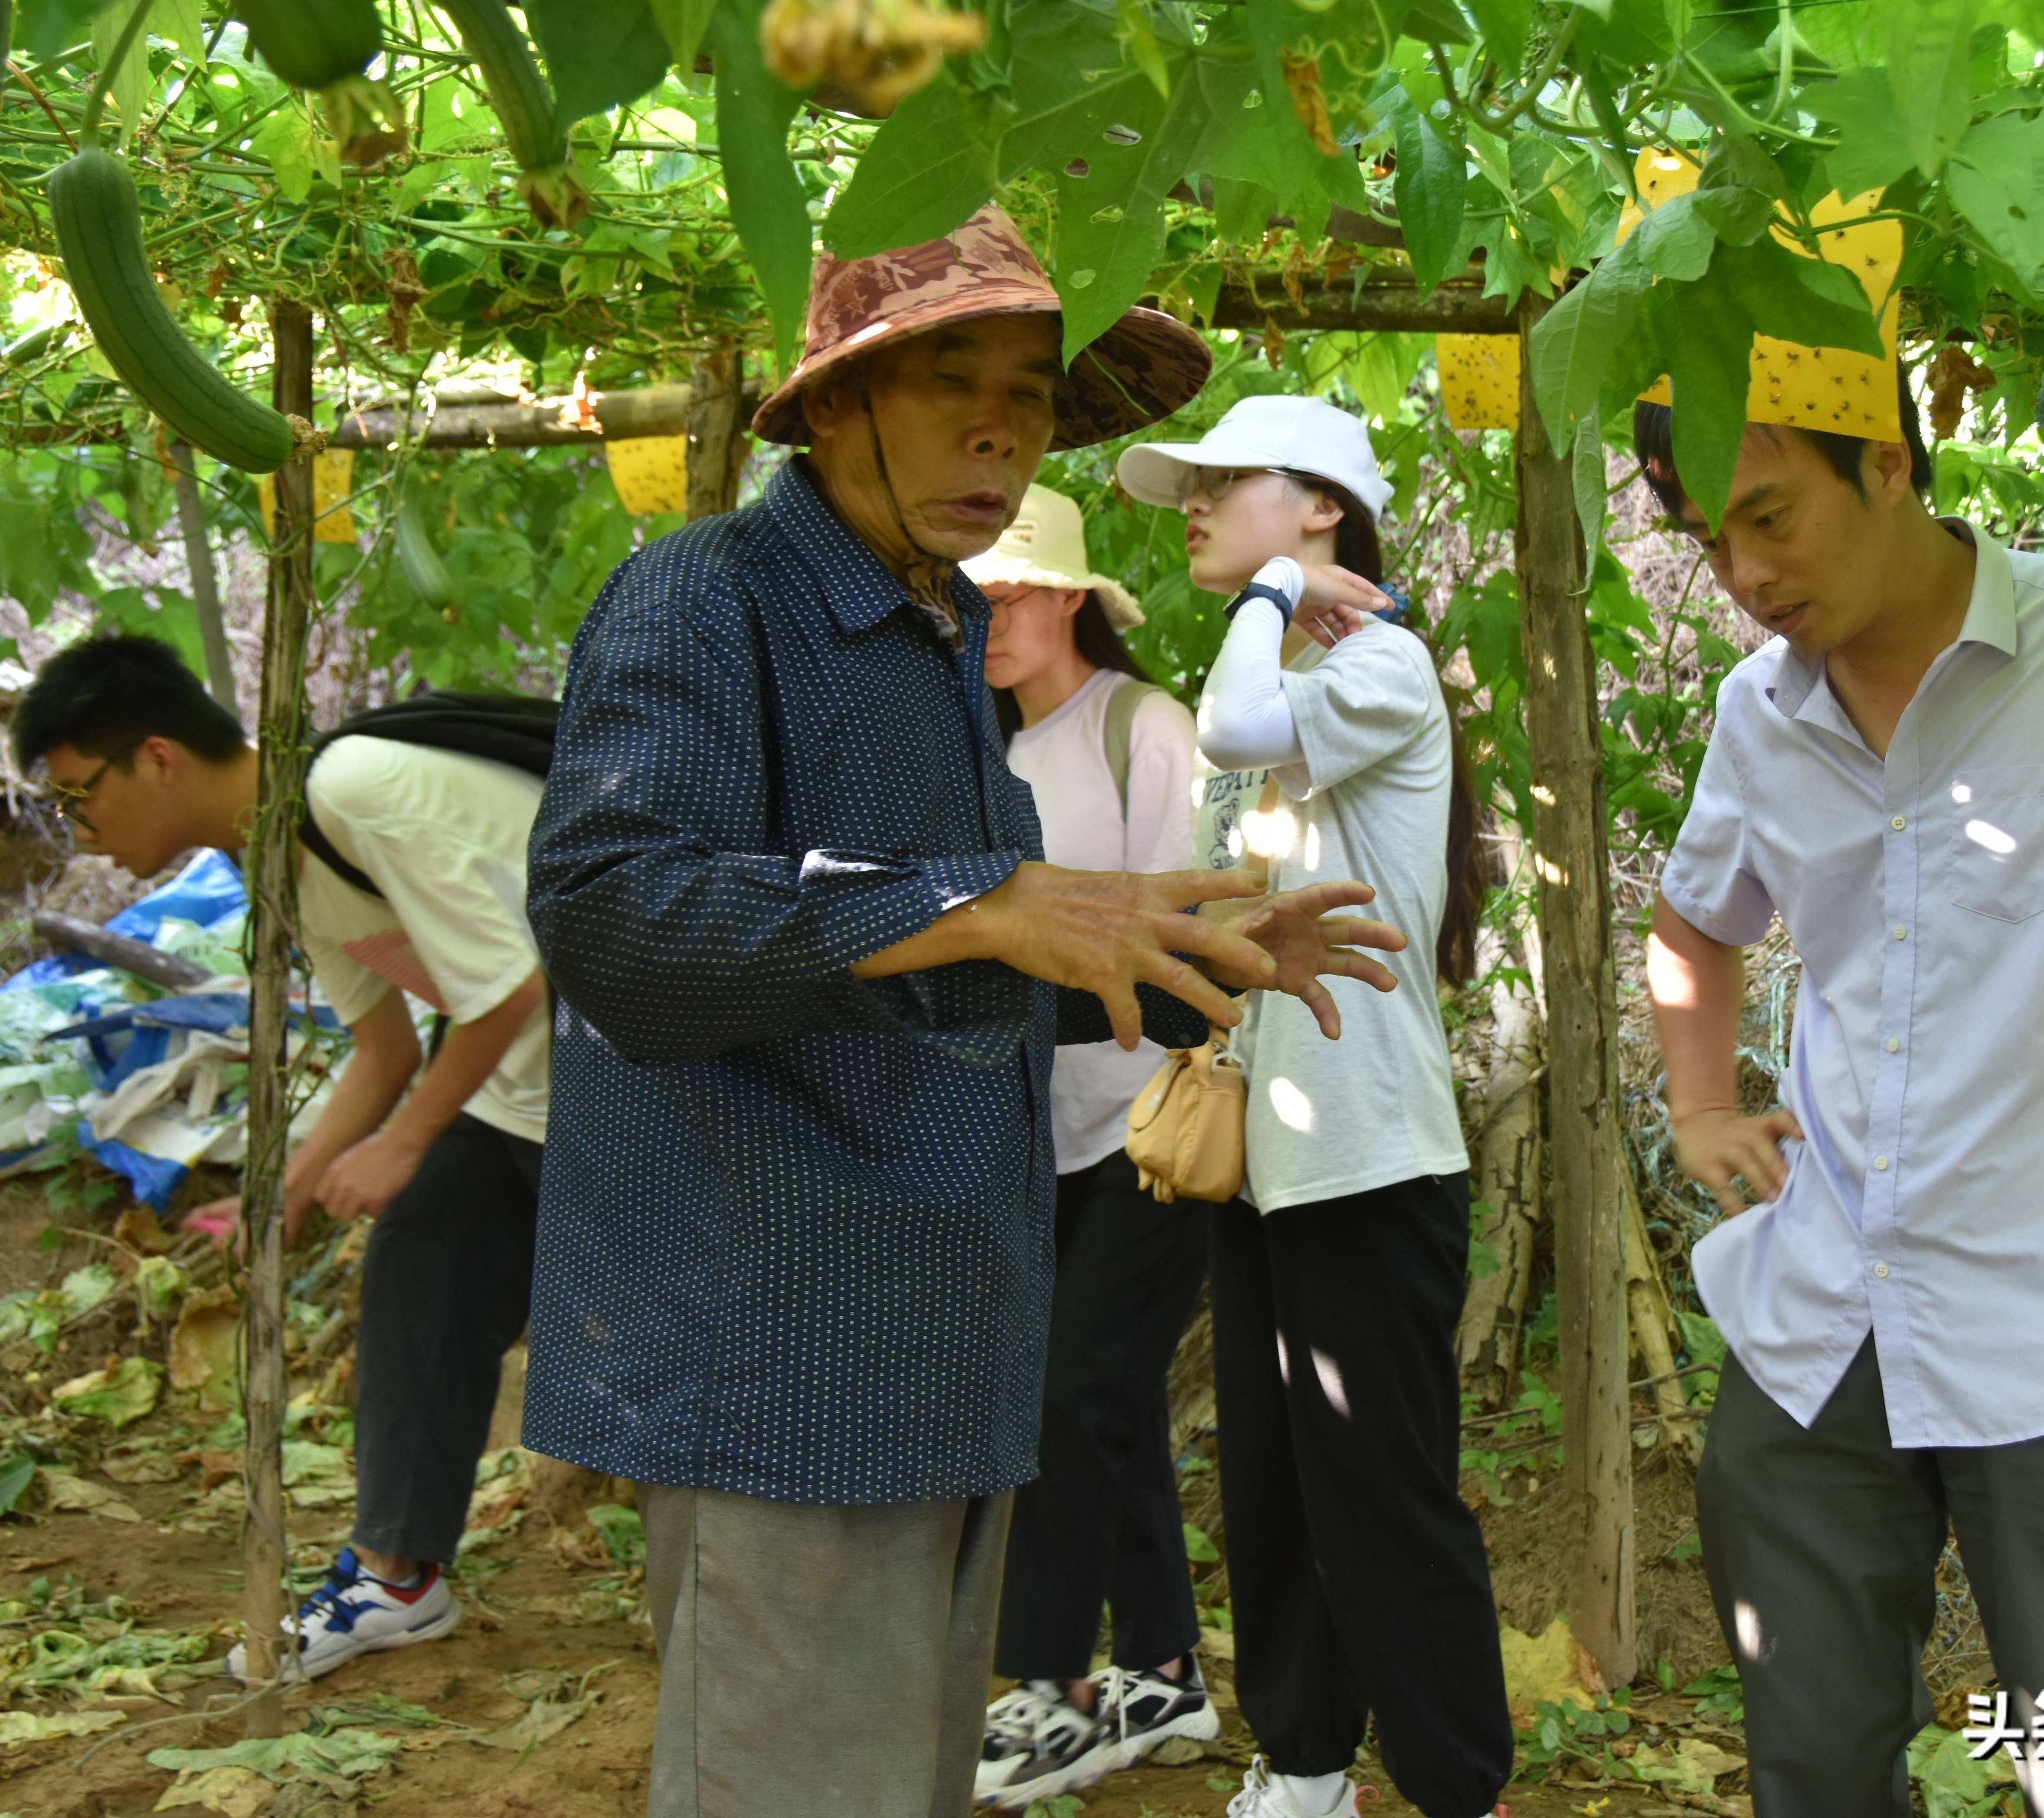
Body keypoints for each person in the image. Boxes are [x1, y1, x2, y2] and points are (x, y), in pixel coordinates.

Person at [519, 207, 1409, 1818]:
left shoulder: (934, 634)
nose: (1002, 425)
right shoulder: (702, 601)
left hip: (940, 1339)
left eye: (1031, 390)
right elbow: (613, 920)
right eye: (951, 379)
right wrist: (980, 901)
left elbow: (942, 967)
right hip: (783, 1354)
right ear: (837, 401)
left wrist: (1153, 950)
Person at [1633, 380, 2044, 1817]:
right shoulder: (1759, 712)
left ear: (1886, 464)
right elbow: (1695, 926)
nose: (1744, 577)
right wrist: (1700, 1106)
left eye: (1768, 516)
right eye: (1708, 539)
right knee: (1812, 1766)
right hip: (1818, 1317)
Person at [10, 634, 551, 1682]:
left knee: (672, 1333)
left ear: (158, 758)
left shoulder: (354, 786)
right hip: (527, 1086)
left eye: (82, 797)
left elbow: (507, 990)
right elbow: (386, 1047)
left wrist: (400, 1146)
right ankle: (399, 1579)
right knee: (426, 1254)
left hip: (646, 1082)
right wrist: (284, 1192)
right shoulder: (271, 856)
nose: (81, 835)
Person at [1114, 394, 1511, 1818]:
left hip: (1370, 1159)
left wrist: (1278, 592)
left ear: (1325, 510)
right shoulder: (1305, 673)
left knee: (1383, 1495)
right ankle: (1303, 1769)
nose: (1197, 509)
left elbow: (1228, 726)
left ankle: (1462, 1785)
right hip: (1273, 1159)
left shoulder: (1382, 661)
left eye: (1231, 485)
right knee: (1277, 1484)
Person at [960, 483, 1224, 1805]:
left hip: (1154, 1122)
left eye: (1012, 591)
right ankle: (1167, 1671)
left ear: (1070, 598)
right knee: (1094, 1398)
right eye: (973, 591)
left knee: (1072, 1393)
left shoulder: (1141, 732)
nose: (988, 616)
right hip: (1039, 1136)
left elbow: (1187, 950)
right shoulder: (981, 746)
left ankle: (1049, 1685)